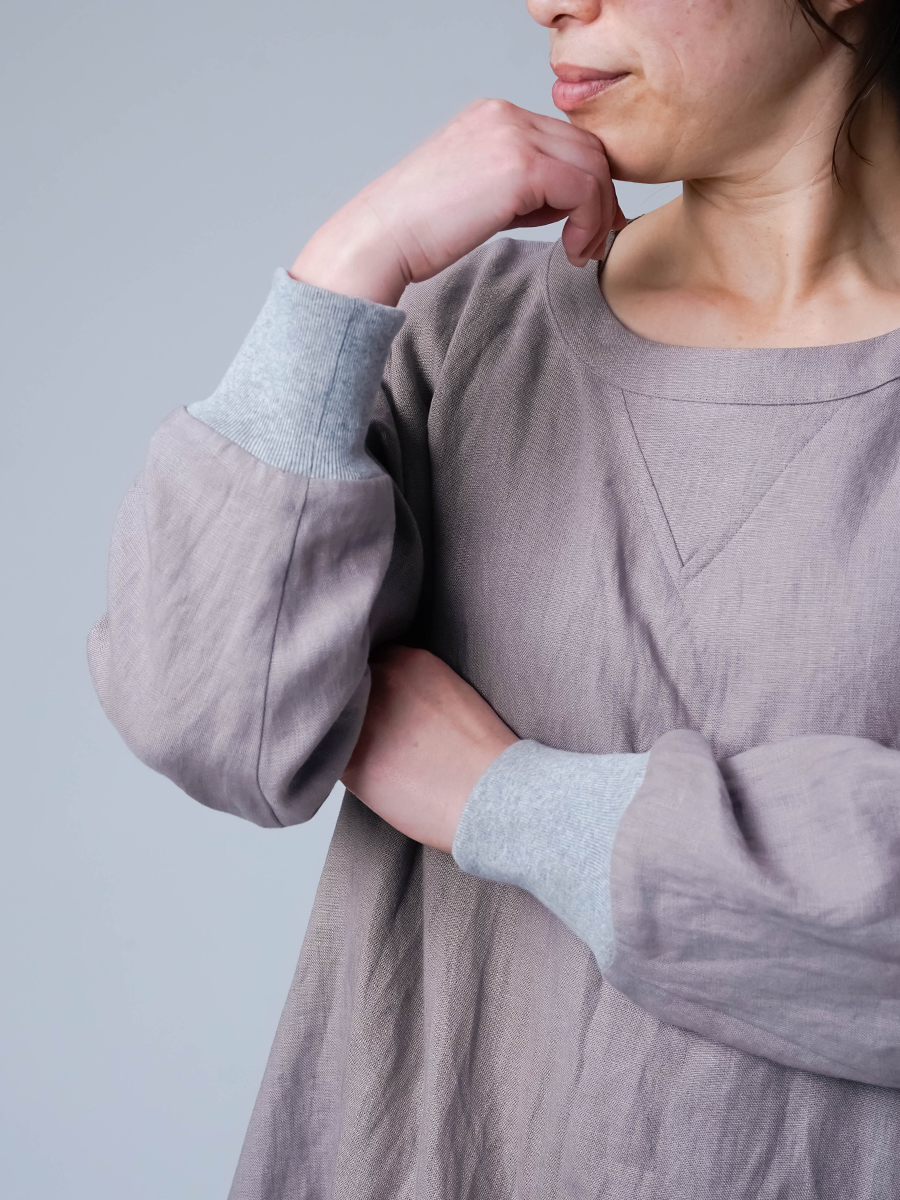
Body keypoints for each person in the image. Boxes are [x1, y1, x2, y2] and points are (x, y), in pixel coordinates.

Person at [89, 0, 900, 1195]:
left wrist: (503, 800)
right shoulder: (463, 329)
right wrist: (347, 270)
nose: (545, 1)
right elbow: (211, 723)